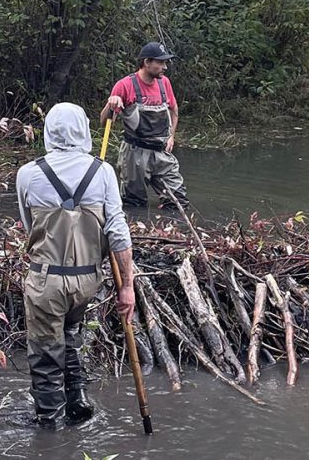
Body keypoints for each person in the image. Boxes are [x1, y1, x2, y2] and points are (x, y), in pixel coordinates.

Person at [16, 103, 135, 429]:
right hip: (87, 282)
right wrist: (127, 286)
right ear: (84, 129)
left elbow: (30, 228)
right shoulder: (104, 172)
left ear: (49, 131)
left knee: (45, 354)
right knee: (71, 335)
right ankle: (78, 397)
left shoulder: (28, 173)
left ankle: (50, 426)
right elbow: (118, 233)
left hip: (46, 281)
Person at [100, 41, 190, 210]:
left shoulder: (165, 83)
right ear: (146, 62)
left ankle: (171, 233)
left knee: (178, 201)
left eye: (165, 63)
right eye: (160, 62)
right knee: (134, 205)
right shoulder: (125, 85)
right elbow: (104, 122)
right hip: (135, 155)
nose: (165, 67)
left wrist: (171, 136)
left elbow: (174, 109)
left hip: (161, 153)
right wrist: (109, 104)